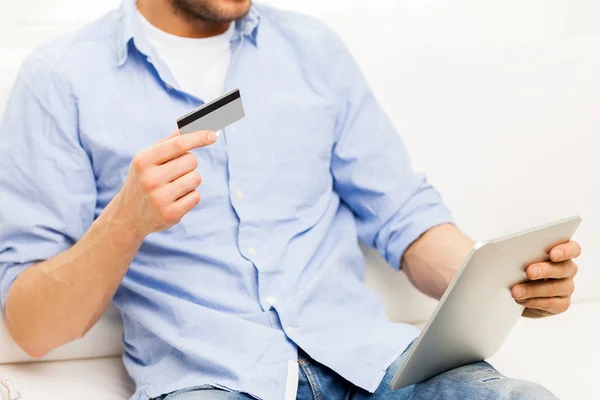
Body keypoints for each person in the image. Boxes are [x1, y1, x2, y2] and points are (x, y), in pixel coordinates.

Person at [0, 0, 581, 399]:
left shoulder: (312, 51)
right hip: (213, 379)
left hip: (377, 364)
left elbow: (405, 219)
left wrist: (504, 283)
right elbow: (31, 327)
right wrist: (124, 223)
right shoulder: (62, 80)